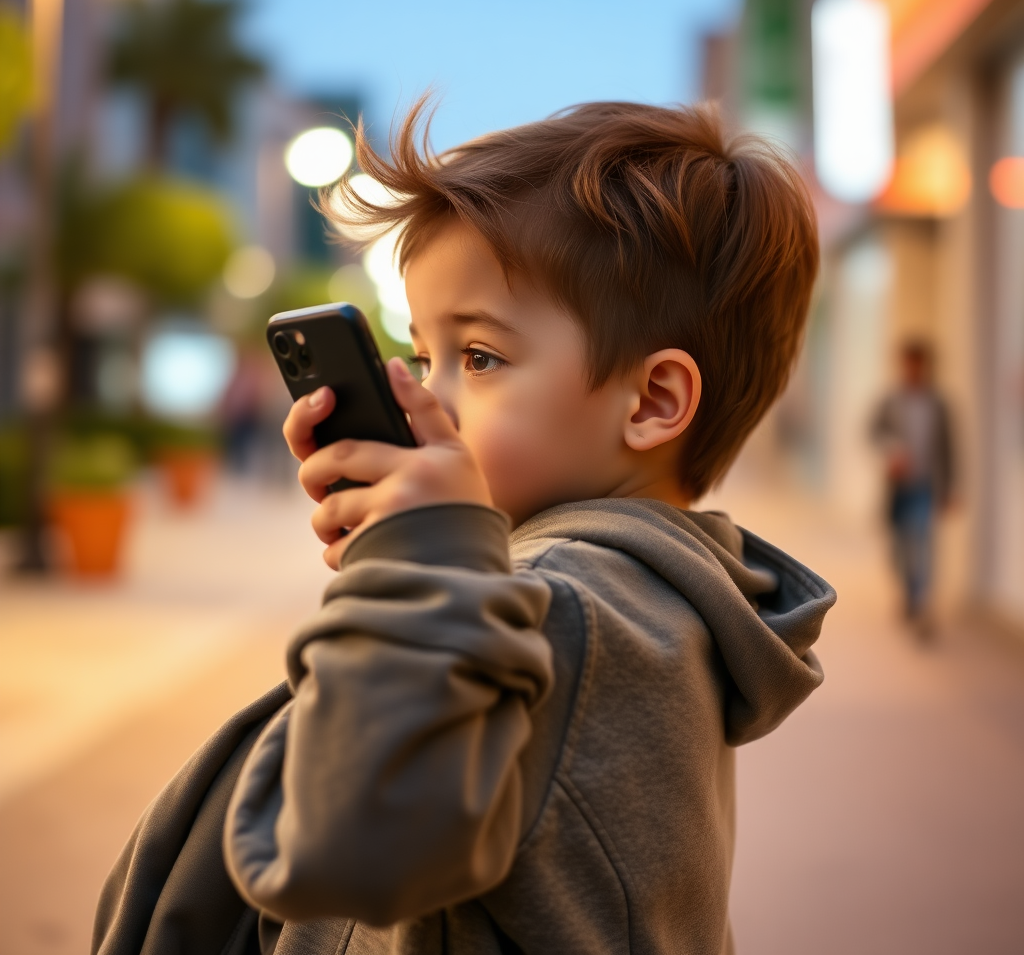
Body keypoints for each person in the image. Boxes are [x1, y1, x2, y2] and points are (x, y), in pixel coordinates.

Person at [92, 100, 836, 955]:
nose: (429, 396)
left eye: (479, 358)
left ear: (654, 401)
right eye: (421, 354)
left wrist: (423, 569)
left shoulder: (579, 614)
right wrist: (416, 574)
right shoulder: (628, 602)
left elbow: (342, 852)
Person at [872, 340, 954, 630]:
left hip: (925, 485)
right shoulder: (891, 401)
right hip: (898, 488)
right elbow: (873, 432)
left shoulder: (938, 404)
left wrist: (950, 489)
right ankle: (909, 593)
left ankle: (921, 602)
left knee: (922, 540)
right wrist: (891, 450)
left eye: (918, 363)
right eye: (908, 363)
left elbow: (949, 448)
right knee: (899, 546)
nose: (913, 369)